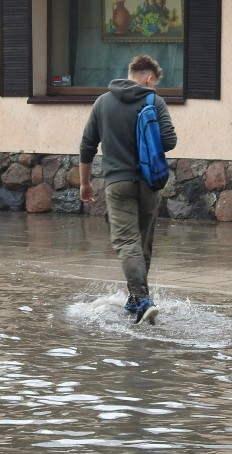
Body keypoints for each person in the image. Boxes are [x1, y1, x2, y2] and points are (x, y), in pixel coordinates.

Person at [79, 54, 177, 325]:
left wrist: (85, 183)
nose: (154, 88)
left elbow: (87, 146)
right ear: (148, 79)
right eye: (154, 83)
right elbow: (170, 140)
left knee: (126, 242)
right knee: (142, 243)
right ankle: (138, 299)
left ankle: (140, 299)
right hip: (149, 182)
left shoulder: (102, 103)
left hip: (117, 183)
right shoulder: (153, 101)